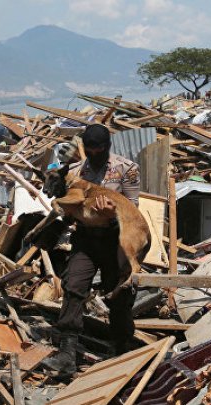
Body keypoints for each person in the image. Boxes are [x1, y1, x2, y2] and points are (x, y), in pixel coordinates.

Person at [42, 124, 140, 377]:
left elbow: (133, 212)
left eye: (101, 148)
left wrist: (110, 216)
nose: (96, 152)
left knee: (118, 294)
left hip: (114, 240)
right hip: (85, 239)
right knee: (73, 287)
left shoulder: (126, 169)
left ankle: (121, 350)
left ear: (108, 146)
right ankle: (66, 354)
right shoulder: (73, 173)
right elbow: (68, 209)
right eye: (91, 148)